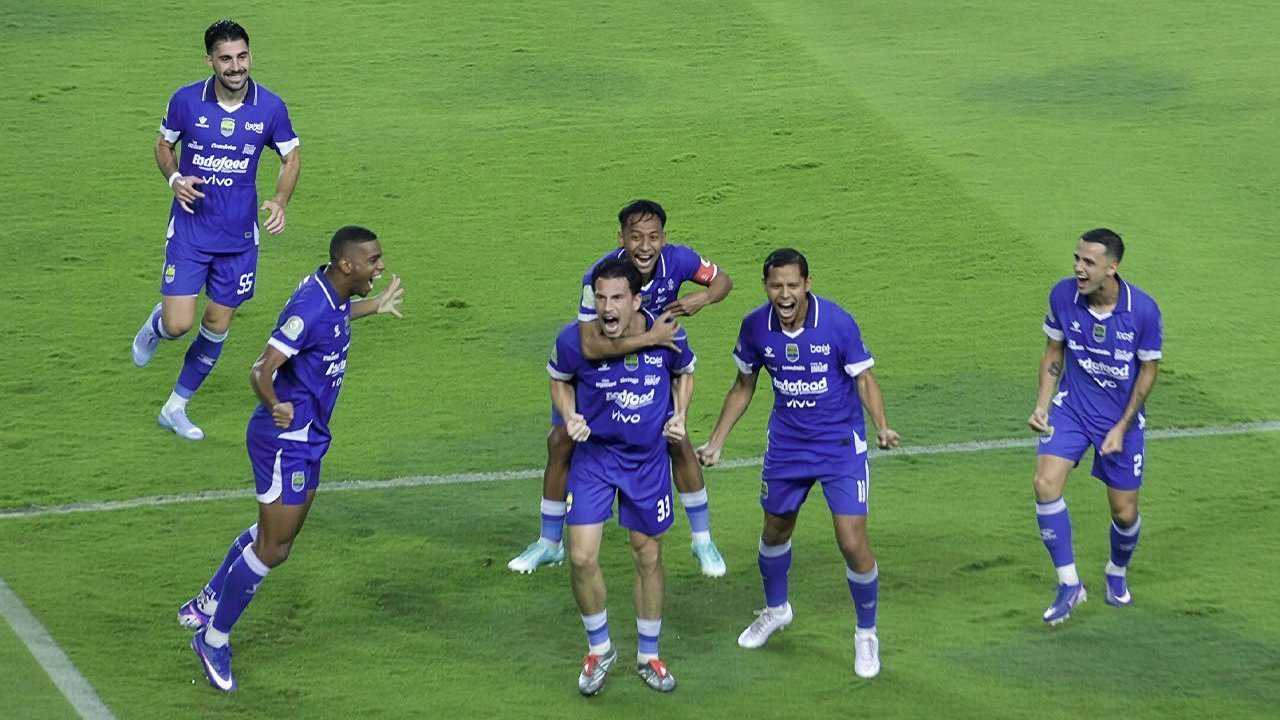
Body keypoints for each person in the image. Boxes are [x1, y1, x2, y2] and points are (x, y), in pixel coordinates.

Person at [179, 227, 403, 691]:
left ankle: (207, 601)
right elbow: (260, 370)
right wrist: (274, 405)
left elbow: (335, 318)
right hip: (284, 441)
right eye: (373, 261)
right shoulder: (311, 306)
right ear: (346, 264)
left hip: (310, 436)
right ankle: (213, 639)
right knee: (275, 548)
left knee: (280, 533)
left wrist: (375, 305)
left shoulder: (331, 292)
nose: (380, 267)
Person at [696, 248, 899, 679]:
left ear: (807, 284)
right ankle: (776, 610)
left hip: (839, 446)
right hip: (787, 447)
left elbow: (864, 378)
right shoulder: (755, 326)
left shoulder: (837, 323)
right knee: (775, 529)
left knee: (852, 542)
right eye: (776, 286)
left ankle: (866, 633)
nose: (784, 294)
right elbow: (743, 385)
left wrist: (882, 426)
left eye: (792, 285)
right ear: (765, 286)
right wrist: (716, 441)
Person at [510, 199, 733, 577]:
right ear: (621, 239)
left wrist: (704, 297)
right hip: (601, 365)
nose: (645, 247)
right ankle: (549, 542)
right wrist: (651, 338)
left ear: (664, 238)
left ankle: (703, 539)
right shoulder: (600, 277)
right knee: (560, 440)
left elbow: (723, 279)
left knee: (677, 438)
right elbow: (589, 345)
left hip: (652, 364)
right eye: (635, 237)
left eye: (653, 237)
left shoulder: (679, 260)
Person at [131, 19, 302, 440]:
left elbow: (290, 156)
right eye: (226, 58)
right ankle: (157, 326)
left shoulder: (270, 106)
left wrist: (280, 201)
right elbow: (163, 144)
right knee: (178, 325)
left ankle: (175, 407)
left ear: (250, 56)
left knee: (217, 323)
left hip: (239, 239)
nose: (236, 66)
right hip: (191, 230)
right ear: (209, 60)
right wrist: (175, 179)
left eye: (242, 56)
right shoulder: (186, 101)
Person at [548, 258, 695, 695]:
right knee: (581, 557)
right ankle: (599, 649)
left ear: (635, 299)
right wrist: (570, 415)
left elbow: (684, 373)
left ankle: (649, 655)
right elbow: (559, 379)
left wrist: (681, 415)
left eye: (616, 298)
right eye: (600, 298)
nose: (607, 307)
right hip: (594, 459)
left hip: (647, 461)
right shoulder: (574, 340)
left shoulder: (667, 332)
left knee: (647, 555)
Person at [1029, 228, 1162, 624]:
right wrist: (1042, 406)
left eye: (1089, 262)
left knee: (1124, 512)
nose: (1079, 268)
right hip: (1072, 408)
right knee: (1044, 484)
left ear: (1112, 267)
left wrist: (1122, 427)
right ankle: (1069, 584)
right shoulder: (1062, 295)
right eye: (1077, 258)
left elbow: (1147, 373)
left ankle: (1116, 571)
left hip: (1119, 419)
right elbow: (1053, 351)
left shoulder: (1143, 311)